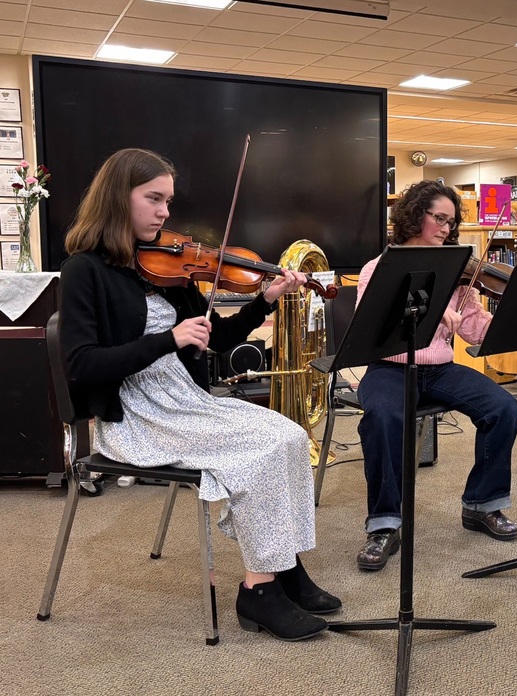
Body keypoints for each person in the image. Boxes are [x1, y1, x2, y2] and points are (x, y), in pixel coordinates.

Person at [59, 148, 340, 642]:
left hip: (185, 400)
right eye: (153, 199)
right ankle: (259, 592)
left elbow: (217, 340)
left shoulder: (167, 267)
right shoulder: (85, 270)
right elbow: (81, 366)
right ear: (116, 198)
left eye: (167, 200)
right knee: (261, 448)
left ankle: (285, 565)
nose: (165, 212)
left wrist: (263, 302)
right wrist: (167, 340)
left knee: (291, 435)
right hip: (136, 416)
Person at [354, 180, 517, 571]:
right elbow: (371, 330)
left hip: (439, 368)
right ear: (415, 216)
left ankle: (482, 504)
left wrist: (504, 317)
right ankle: (384, 524)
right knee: (381, 417)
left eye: (451, 222)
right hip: (390, 367)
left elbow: (473, 332)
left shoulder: (457, 272)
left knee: (504, 408)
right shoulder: (377, 269)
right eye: (439, 219)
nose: (446, 229)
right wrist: (427, 314)